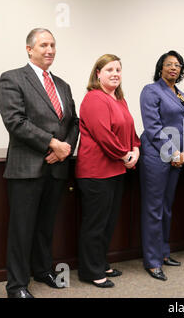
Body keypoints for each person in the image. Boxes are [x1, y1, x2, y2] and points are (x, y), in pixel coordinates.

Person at [0, 28, 79, 298]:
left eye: (53, 45)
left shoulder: (63, 85)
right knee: (22, 230)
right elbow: (15, 121)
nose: (50, 50)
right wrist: (52, 143)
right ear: (29, 49)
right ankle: (17, 285)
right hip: (27, 169)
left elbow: (74, 123)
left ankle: (43, 270)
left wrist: (64, 149)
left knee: (46, 226)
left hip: (56, 168)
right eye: (44, 45)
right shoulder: (12, 78)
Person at [76, 54, 140, 288]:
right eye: (109, 69)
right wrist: (125, 156)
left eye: (118, 70)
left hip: (116, 171)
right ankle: (90, 271)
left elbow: (131, 131)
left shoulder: (120, 100)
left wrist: (136, 150)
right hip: (96, 172)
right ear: (98, 74)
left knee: (108, 223)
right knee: (95, 224)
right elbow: (104, 135)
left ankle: (100, 263)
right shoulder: (94, 98)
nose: (115, 73)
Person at [139, 50, 184, 281]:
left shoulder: (180, 95)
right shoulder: (151, 91)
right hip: (156, 156)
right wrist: (173, 154)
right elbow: (153, 127)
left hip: (176, 157)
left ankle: (163, 252)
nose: (174, 68)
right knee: (154, 208)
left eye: (178, 65)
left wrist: (183, 155)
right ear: (161, 67)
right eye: (169, 64)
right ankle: (152, 261)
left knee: (166, 207)